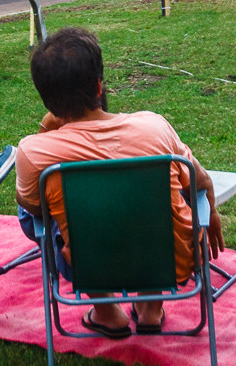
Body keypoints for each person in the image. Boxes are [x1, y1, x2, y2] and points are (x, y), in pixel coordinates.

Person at [16, 27, 224, 338]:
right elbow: (200, 180)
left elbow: (35, 209)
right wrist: (211, 213)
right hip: (171, 260)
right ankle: (151, 307)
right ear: (99, 85)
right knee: (163, 193)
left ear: (47, 100)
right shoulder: (154, 127)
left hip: (91, 265)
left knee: (33, 209)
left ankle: (107, 312)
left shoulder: (34, 151)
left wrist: (48, 127)